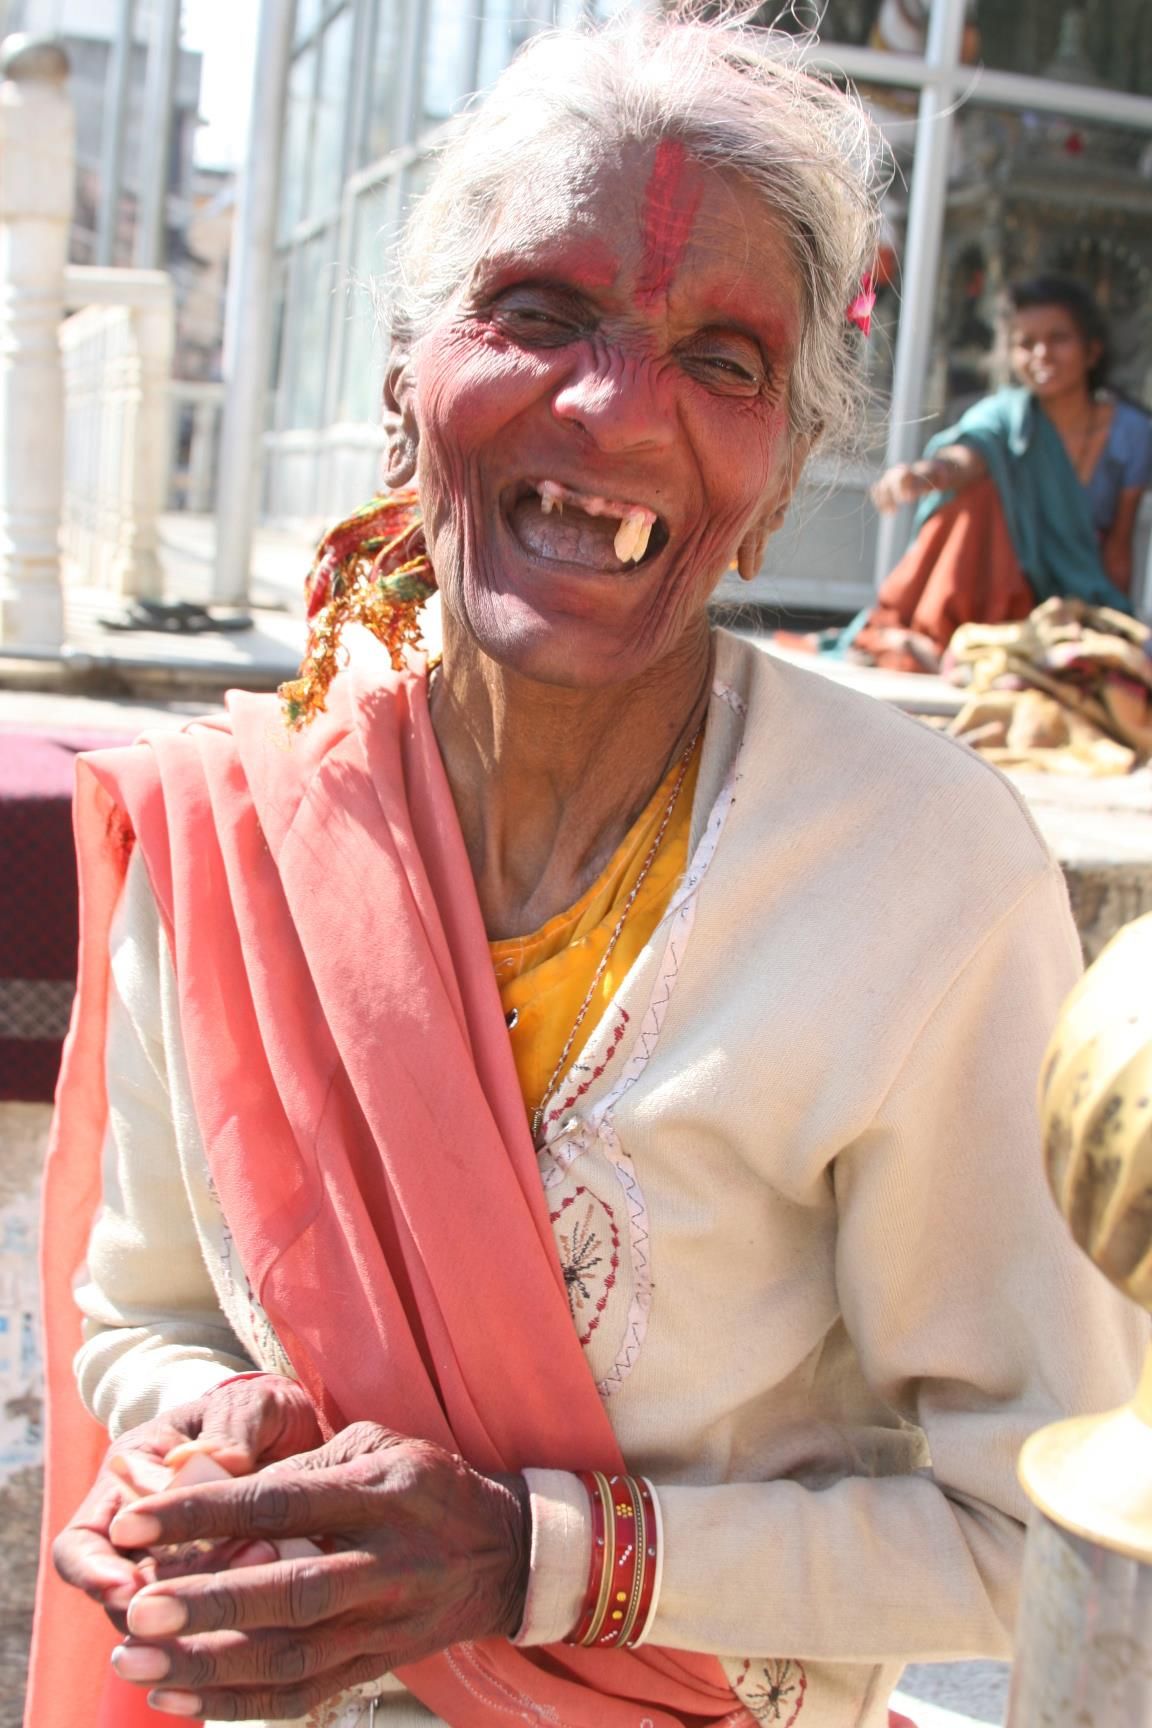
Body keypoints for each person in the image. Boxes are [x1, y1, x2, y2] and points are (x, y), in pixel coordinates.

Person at [36, 14, 1144, 1728]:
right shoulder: (239, 839)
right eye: (537, 314)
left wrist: (525, 1554)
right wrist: (211, 1437)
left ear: (775, 482)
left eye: (721, 358)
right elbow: (141, 1310)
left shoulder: (920, 879)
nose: (615, 409)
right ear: (404, 385)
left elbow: (1029, 1528)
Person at [852, 275, 1152, 671]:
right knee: (982, 493)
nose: (1041, 354)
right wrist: (923, 475)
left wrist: (1115, 630)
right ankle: (940, 633)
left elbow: (1119, 548)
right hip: (997, 592)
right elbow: (969, 455)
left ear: (1092, 350)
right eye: (1026, 343)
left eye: (1058, 338)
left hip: (1069, 600)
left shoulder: (1131, 432)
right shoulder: (1006, 415)